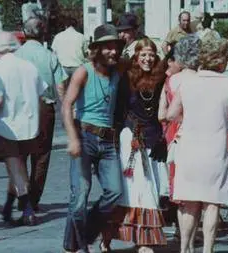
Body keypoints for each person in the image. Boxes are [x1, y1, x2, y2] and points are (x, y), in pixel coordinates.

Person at [167, 33, 228, 253]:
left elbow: (170, 114)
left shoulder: (187, 84)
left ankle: (185, 248)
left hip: (189, 148)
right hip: (215, 150)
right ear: (221, 59)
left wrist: (187, 119)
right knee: (212, 203)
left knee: (189, 202)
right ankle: (207, 249)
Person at [101, 38, 168, 253]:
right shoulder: (125, 78)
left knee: (149, 187)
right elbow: (118, 112)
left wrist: (160, 137)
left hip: (153, 139)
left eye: (151, 54)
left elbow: (159, 111)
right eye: (144, 55)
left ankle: (144, 240)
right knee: (130, 188)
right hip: (131, 138)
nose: (148, 59)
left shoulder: (160, 79)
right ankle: (108, 237)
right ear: (136, 57)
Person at [62, 24, 124, 253]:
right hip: (85, 136)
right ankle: (76, 246)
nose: (113, 52)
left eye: (116, 47)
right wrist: (73, 138)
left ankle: (82, 236)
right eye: (107, 47)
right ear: (96, 49)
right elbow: (66, 105)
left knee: (115, 192)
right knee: (79, 197)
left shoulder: (118, 72)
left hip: (108, 141)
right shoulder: (83, 71)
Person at [0, 31, 47, 226]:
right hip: (29, 124)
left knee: (15, 167)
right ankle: (7, 207)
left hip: (7, 126)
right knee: (18, 167)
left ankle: (27, 208)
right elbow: (41, 94)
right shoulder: (30, 67)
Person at [14, 17, 68, 211]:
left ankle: (22, 193)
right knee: (41, 155)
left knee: (20, 153)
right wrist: (65, 110)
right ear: (43, 32)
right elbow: (61, 86)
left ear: (24, 32)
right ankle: (33, 198)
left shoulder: (16, 56)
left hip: (20, 108)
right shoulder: (49, 56)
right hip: (44, 107)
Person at [157, 35, 200, 248]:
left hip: (174, 136)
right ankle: (190, 239)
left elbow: (163, 114)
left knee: (180, 190)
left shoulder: (171, 82)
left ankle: (184, 242)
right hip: (199, 136)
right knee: (196, 193)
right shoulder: (202, 78)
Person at [51, 13, 87, 83]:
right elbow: (85, 53)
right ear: (76, 26)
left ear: (65, 26)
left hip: (62, 68)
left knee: (63, 91)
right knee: (78, 91)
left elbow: (53, 52)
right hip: (77, 68)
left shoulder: (58, 36)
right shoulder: (81, 36)